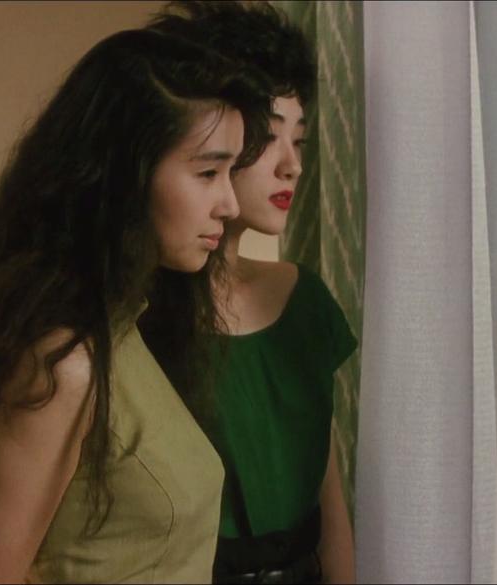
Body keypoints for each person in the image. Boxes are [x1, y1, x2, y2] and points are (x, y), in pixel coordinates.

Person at [0, 27, 273, 584]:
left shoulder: (130, 329)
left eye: (231, 173)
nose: (228, 203)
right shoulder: (61, 363)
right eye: (208, 172)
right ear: (124, 175)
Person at [143, 3, 358, 584]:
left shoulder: (304, 302)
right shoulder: (134, 318)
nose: (292, 166)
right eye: (269, 137)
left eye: (300, 140)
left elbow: (330, 506)